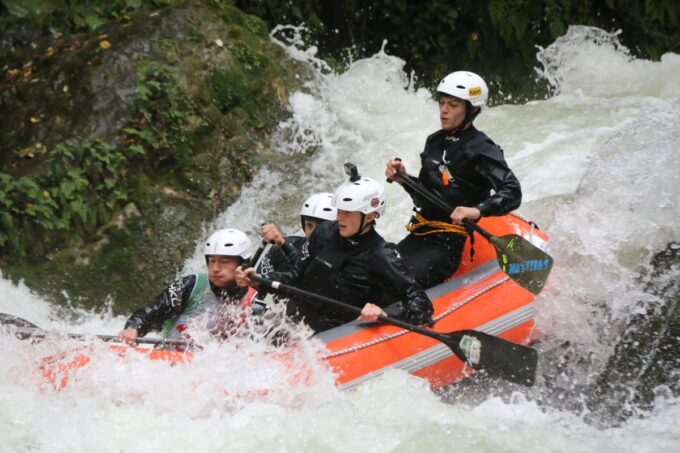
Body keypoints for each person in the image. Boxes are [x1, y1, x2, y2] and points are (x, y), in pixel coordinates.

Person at [235, 171, 434, 333]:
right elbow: (297, 274)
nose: (339, 218)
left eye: (347, 212)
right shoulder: (324, 232)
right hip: (300, 321)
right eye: (339, 210)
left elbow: (420, 302)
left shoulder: (381, 255)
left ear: (371, 215)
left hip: (336, 332)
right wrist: (259, 279)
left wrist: (385, 315)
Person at [385, 71, 522, 288]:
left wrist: (476, 210)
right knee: (374, 275)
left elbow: (512, 191)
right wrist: (403, 178)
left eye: (453, 105)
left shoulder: (482, 149)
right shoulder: (434, 142)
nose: (444, 110)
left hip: (445, 246)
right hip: (419, 233)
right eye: (441, 102)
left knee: (396, 285)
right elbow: (425, 199)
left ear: (472, 109)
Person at [117, 228, 257, 343]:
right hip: (171, 362)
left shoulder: (255, 300)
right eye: (212, 261)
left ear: (243, 264)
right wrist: (134, 327)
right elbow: (151, 311)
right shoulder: (191, 285)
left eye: (224, 261)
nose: (215, 268)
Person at [258, 192, 337, 275]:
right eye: (309, 225)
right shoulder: (282, 247)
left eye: (321, 228)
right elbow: (257, 282)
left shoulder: (345, 259)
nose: (313, 233)